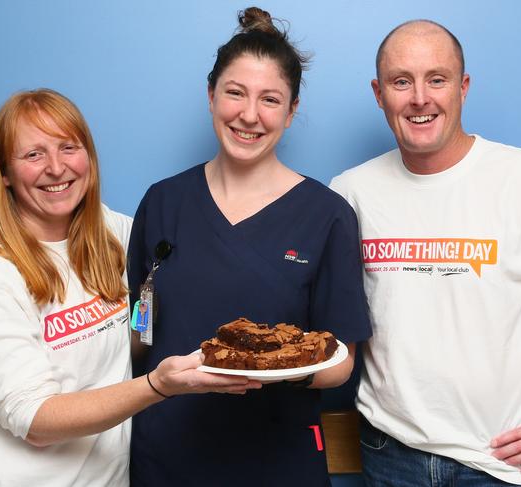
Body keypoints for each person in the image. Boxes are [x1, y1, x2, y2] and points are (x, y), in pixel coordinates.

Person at [0, 88, 258, 486]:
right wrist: (157, 385)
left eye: (68, 147)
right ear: (4, 172)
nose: (56, 168)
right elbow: (36, 420)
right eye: (33, 155)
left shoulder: (116, 235)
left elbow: (145, 325)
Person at [330, 19, 521, 486]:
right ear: (379, 93)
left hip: (502, 466)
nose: (419, 98)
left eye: (437, 79)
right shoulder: (350, 193)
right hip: (389, 457)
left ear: (463, 87)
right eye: (401, 81)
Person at [127, 7, 371, 486]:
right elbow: (141, 324)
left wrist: (269, 369)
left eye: (270, 99)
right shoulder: (163, 202)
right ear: (211, 94)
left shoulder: (327, 215)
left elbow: (342, 362)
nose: (249, 115)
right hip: (166, 455)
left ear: (292, 110)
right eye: (235, 93)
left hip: (277, 459)